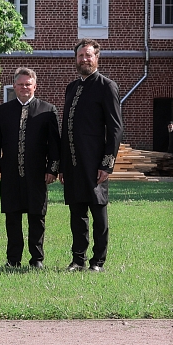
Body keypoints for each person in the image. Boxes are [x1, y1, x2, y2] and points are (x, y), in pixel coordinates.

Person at [0, 68, 61, 269]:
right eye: (20, 84)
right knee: (12, 217)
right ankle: (13, 259)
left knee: (37, 217)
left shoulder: (47, 110)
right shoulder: (2, 111)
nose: (24, 88)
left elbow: (54, 144)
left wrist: (52, 169)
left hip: (37, 174)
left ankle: (37, 259)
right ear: (14, 86)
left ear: (35, 86)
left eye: (28, 84)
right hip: (10, 172)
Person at [59, 39, 122, 272]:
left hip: (95, 164)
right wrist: (63, 166)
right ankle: (78, 260)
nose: (84, 59)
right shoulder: (71, 87)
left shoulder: (107, 86)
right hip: (73, 164)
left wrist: (107, 164)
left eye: (88, 55)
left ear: (97, 58)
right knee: (77, 214)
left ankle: (98, 261)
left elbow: (115, 128)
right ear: (75, 59)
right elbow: (65, 128)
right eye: (80, 56)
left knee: (98, 213)